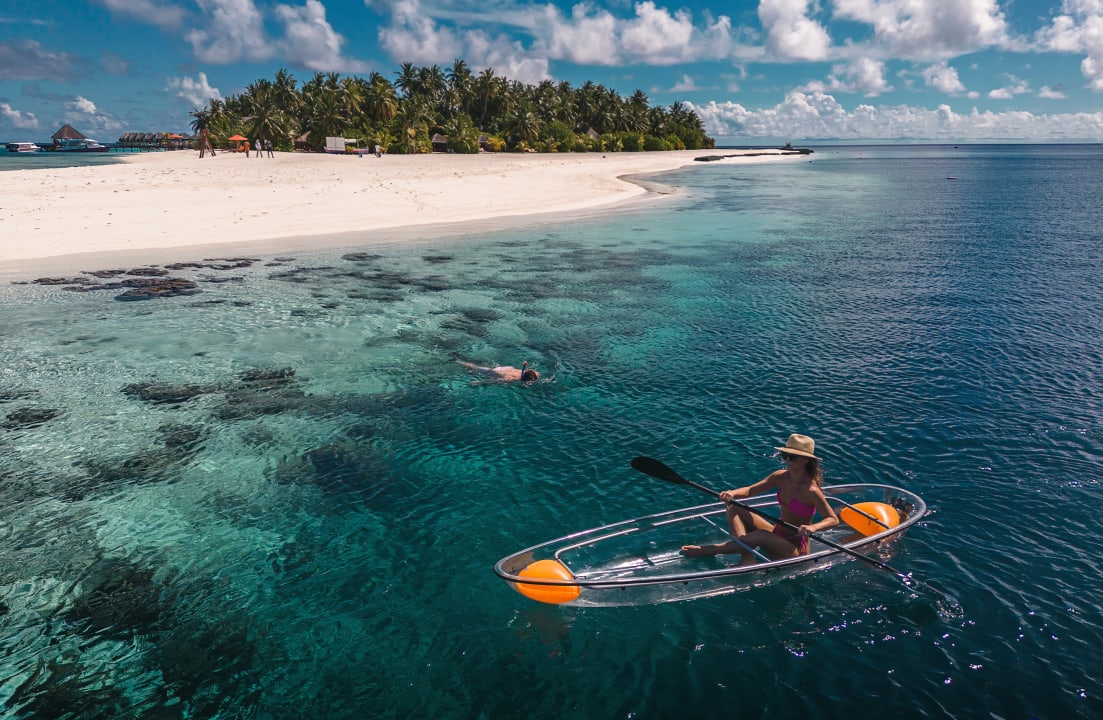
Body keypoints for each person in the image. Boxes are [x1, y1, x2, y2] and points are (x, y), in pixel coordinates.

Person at [681, 434, 839, 565]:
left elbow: (833, 519)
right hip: (777, 533)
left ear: (806, 460)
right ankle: (746, 555)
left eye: (793, 457)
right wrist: (732, 493)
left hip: (794, 548)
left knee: (761, 535)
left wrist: (813, 527)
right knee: (734, 506)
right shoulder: (780, 477)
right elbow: (750, 490)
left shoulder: (811, 490)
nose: (787, 461)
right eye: (785, 456)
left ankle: (707, 550)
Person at [457, 359, 539, 383]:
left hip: (508, 368)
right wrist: (479, 382)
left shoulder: (532, 373)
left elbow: (536, 374)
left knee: (483, 366)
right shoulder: (513, 378)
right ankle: (458, 361)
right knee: (475, 368)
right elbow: (497, 381)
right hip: (496, 372)